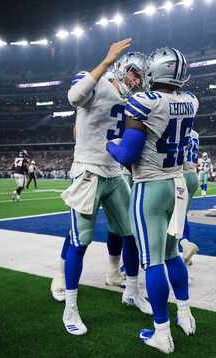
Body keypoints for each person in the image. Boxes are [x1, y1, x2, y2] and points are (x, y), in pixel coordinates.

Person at [54, 39, 152, 336]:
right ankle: (70, 306)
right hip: (87, 171)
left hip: (114, 173)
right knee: (80, 241)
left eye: (140, 77)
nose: (135, 80)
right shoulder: (97, 79)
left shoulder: (134, 100)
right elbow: (73, 96)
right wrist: (107, 60)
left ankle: (132, 291)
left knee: (131, 234)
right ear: (123, 67)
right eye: (133, 72)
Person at [107, 47, 198, 354]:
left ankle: (162, 330)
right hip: (178, 184)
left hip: (151, 186)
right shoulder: (191, 101)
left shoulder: (142, 102)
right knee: (173, 254)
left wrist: (111, 146)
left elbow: (128, 154)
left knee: (154, 261)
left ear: (154, 72)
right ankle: (185, 314)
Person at [181, 129, 200, 265]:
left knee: (172, 217)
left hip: (181, 175)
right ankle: (186, 254)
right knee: (182, 217)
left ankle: (184, 244)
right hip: (193, 175)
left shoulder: (178, 126)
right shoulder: (195, 133)